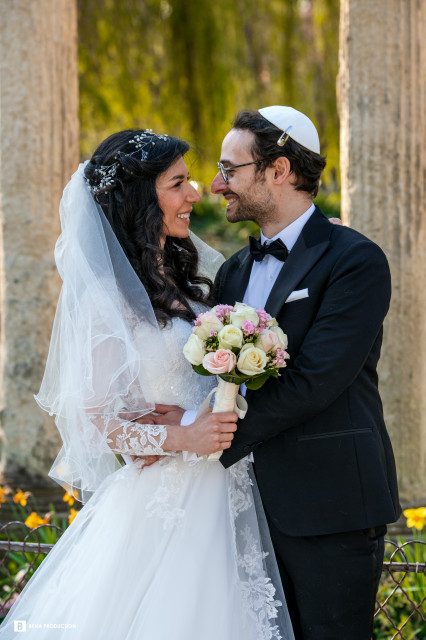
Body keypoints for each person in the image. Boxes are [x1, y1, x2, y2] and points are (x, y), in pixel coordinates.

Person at [0, 130, 295, 640]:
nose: (196, 193)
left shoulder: (185, 277)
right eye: (178, 183)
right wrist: (183, 435)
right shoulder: (106, 300)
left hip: (228, 485)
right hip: (167, 498)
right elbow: (97, 420)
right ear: (140, 199)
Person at [155, 107, 401, 640]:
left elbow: (315, 381)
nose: (218, 184)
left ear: (279, 170)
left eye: (230, 169)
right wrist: (179, 422)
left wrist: (208, 434)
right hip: (242, 506)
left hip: (329, 505)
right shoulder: (235, 271)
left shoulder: (355, 260)